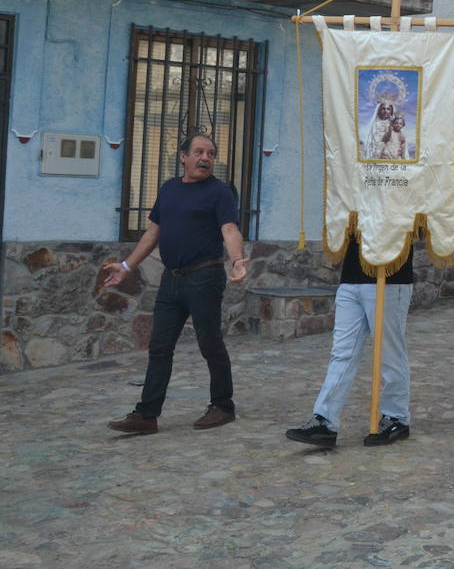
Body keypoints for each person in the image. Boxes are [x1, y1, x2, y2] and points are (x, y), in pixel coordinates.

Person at [104, 134, 249, 434]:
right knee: (159, 347)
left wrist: (236, 261)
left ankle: (223, 406)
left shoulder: (219, 192)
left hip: (205, 277)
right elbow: (152, 234)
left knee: (209, 342)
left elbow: (230, 229)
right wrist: (127, 266)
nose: (205, 158)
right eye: (198, 152)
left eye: (210, 153)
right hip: (172, 279)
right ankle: (146, 415)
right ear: (183, 156)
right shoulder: (169, 188)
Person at [285, 239, 415, 449]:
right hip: (351, 277)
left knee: (389, 352)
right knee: (342, 352)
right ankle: (325, 421)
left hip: (390, 277)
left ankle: (396, 417)